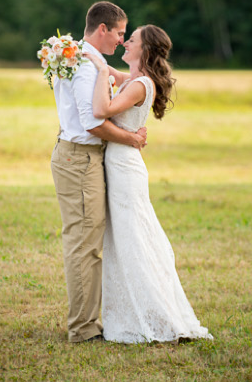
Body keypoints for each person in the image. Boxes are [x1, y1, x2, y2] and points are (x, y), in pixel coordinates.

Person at [83, 25, 212, 343]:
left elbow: (101, 110)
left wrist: (100, 71)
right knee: (129, 240)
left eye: (132, 39)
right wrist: (86, 54)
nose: (126, 42)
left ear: (146, 50)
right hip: (124, 164)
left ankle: (152, 317)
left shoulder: (140, 84)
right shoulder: (137, 80)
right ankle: (139, 312)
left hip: (125, 169)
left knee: (133, 242)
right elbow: (112, 70)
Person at [49, 1, 147, 343]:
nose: (122, 40)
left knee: (88, 242)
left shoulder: (84, 58)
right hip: (80, 159)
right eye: (120, 33)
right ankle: (83, 327)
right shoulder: (86, 66)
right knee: (84, 245)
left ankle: (89, 321)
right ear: (102, 29)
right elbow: (92, 124)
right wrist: (132, 138)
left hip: (83, 158)